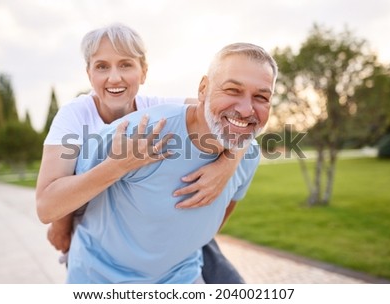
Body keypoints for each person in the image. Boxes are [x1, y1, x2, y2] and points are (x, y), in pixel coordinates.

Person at [36, 23, 246, 283]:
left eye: (126, 65)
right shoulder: (73, 117)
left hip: (166, 238)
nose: (114, 77)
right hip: (102, 244)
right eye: (102, 66)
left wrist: (228, 163)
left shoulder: (158, 109)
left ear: (143, 72)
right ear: (89, 73)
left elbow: (231, 117)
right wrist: (117, 166)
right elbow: (46, 206)